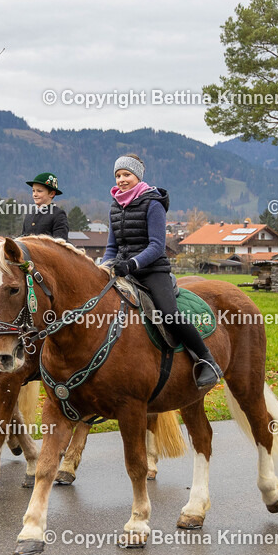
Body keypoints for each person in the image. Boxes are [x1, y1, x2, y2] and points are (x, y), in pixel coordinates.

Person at [102, 154, 221, 388]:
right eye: (118, 175)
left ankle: (207, 360)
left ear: (138, 176)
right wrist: (103, 268)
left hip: (152, 270)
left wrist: (133, 264)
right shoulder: (115, 206)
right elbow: (112, 247)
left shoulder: (153, 203)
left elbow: (157, 246)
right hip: (123, 271)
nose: (122, 180)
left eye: (126, 174)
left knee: (168, 313)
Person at [20, 172, 68, 240]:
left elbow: (60, 243)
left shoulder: (58, 215)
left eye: (39, 191)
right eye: (33, 191)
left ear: (52, 194)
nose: (35, 194)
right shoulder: (29, 215)